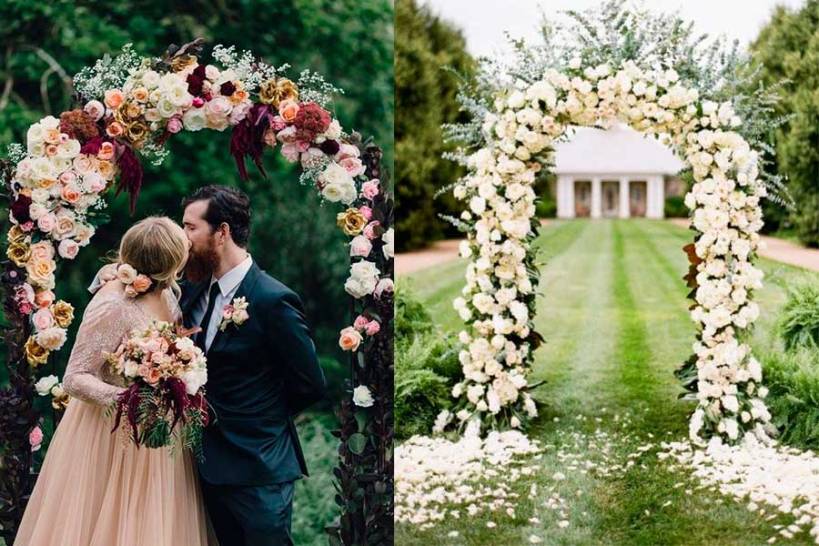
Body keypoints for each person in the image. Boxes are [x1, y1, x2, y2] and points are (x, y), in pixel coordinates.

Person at [15, 216, 216, 546]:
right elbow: (75, 377)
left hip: (158, 435)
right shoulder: (113, 303)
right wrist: (129, 398)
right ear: (169, 261)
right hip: (110, 435)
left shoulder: (167, 294)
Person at [180, 185, 327, 546]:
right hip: (206, 468)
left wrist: (257, 416)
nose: (182, 239)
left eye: (190, 228)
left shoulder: (273, 299)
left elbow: (311, 383)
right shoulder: (191, 292)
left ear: (223, 232)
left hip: (260, 468)